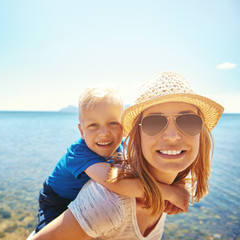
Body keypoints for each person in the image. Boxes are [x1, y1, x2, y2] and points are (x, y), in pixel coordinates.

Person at [31, 71, 224, 239]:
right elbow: (111, 180)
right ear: (81, 131)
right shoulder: (80, 155)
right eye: (154, 122)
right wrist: (168, 192)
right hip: (56, 199)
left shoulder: (129, 152)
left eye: (189, 121)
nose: (104, 133)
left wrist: (179, 184)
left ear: (124, 130)